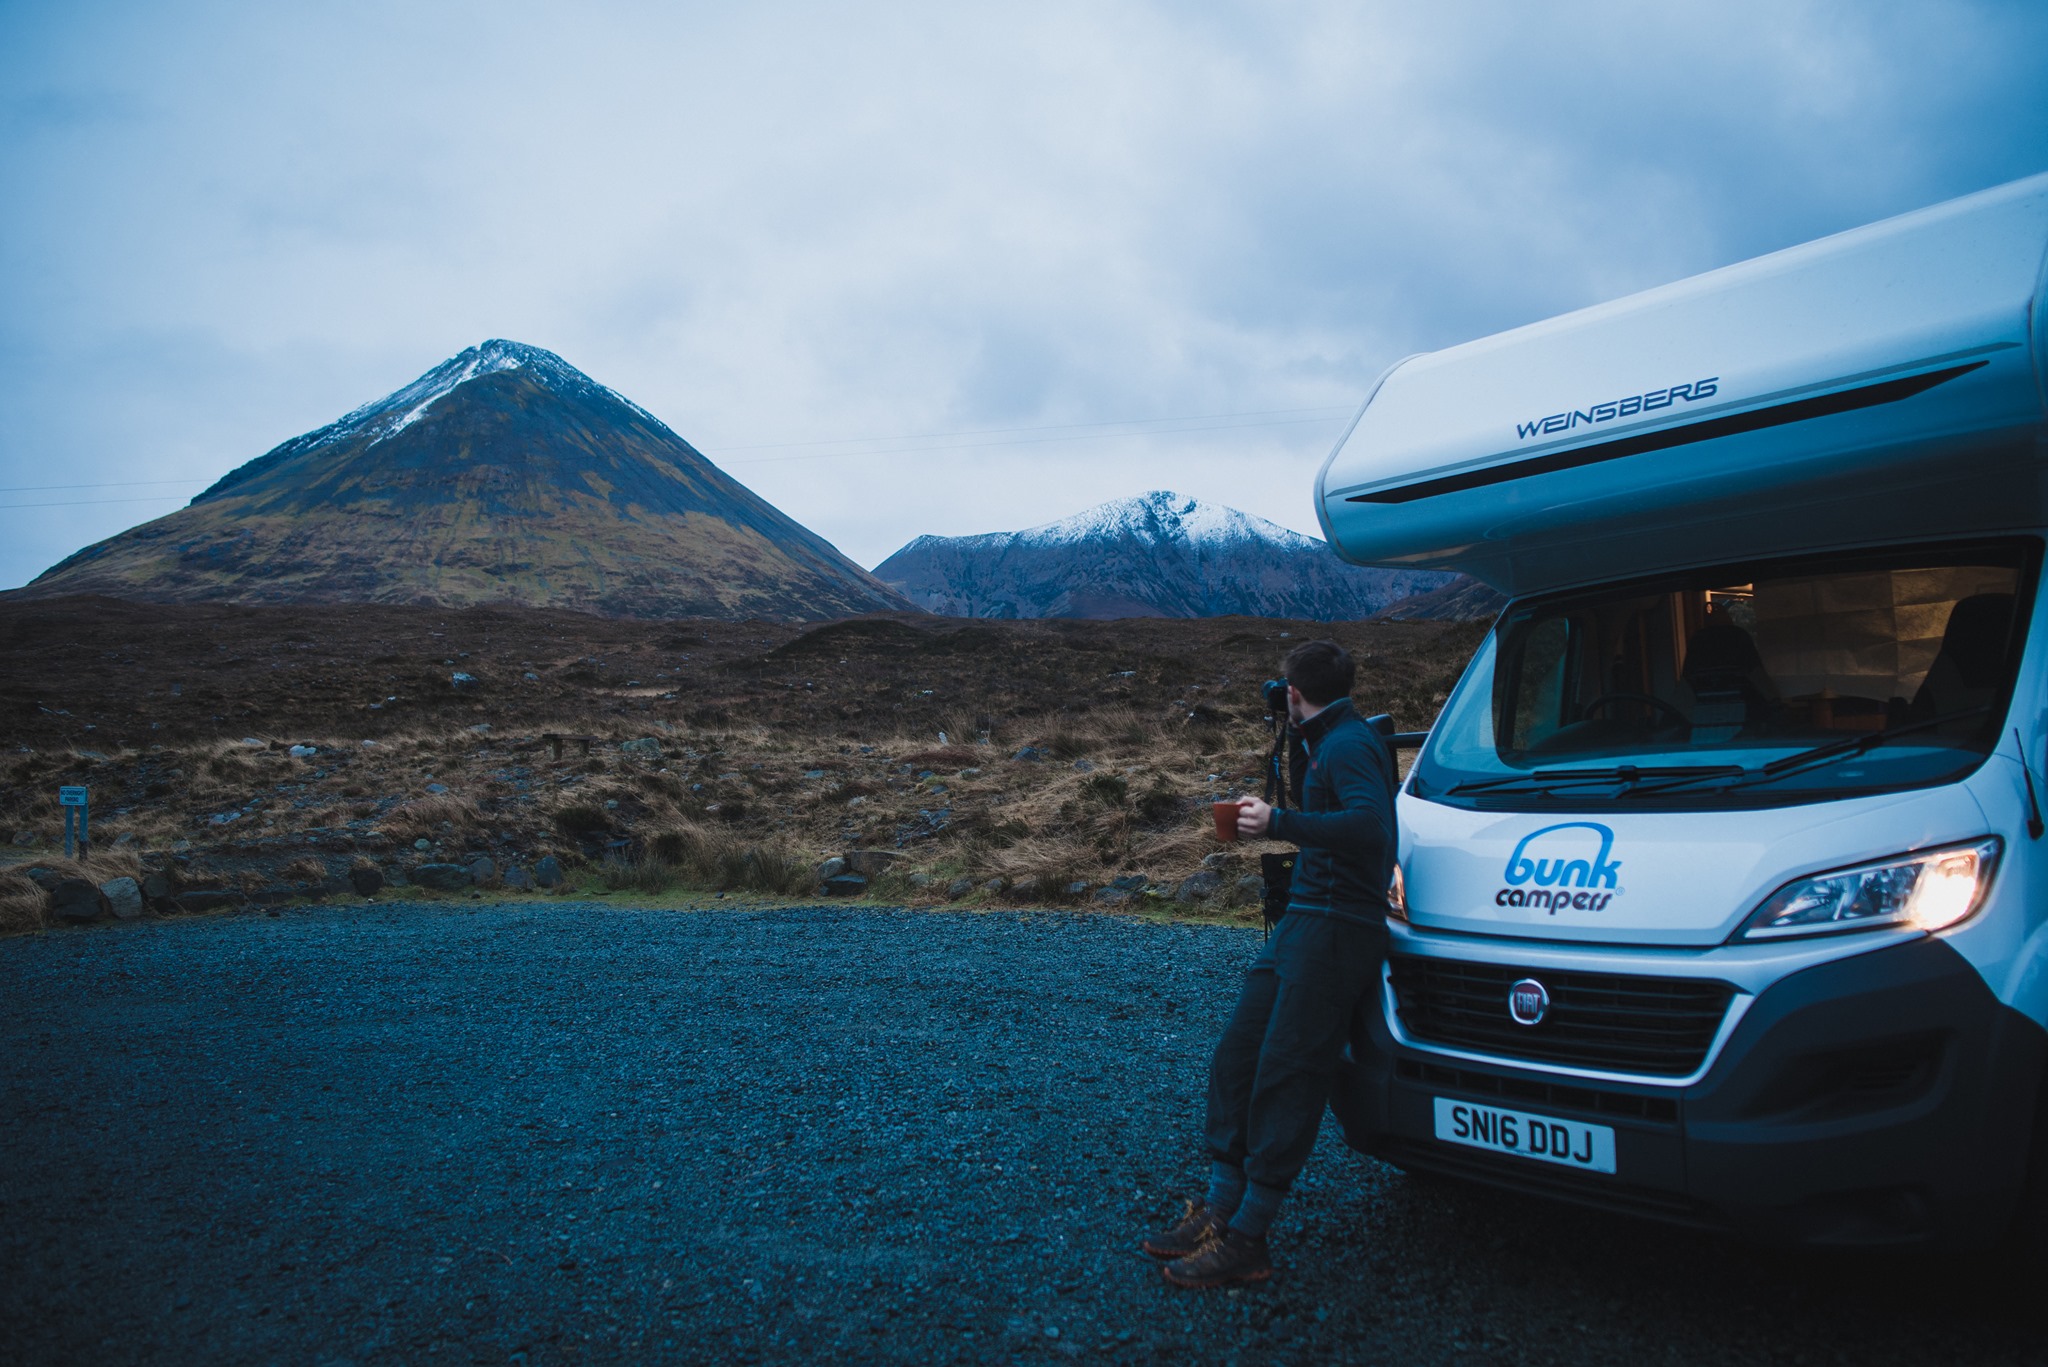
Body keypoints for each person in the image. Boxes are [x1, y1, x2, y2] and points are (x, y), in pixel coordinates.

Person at [1142, 639, 1398, 1288]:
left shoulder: (1350, 745)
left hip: (1338, 928)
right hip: (1304, 921)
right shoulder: (1321, 737)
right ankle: (1218, 1210)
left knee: (1287, 1071)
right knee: (1238, 1054)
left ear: (1292, 691)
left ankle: (1248, 1237)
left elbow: (1372, 827)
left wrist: (1280, 820)